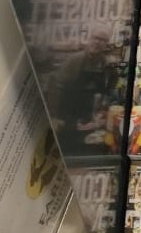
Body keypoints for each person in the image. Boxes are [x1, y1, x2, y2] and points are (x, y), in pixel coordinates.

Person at [45, 22, 117, 151]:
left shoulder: (105, 63)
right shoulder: (74, 60)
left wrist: (104, 108)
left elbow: (109, 89)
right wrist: (54, 116)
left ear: (106, 44)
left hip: (91, 118)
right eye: (95, 38)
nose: (98, 42)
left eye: (103, 40)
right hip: (68, 116)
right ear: (89, 38)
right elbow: (56, 87)